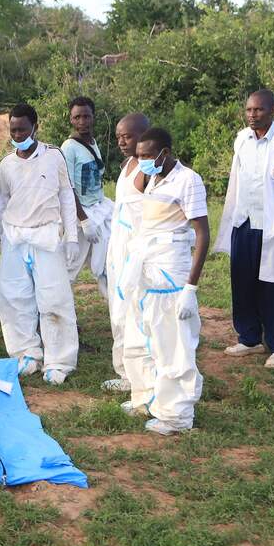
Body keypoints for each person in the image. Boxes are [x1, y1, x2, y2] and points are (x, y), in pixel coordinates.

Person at [119, 128, 209, 435]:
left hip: (171, 272)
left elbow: (202, 234)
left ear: (165, 153)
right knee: (144, 335)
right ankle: (146, 397)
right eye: (139, 155)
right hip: (146, 268)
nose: (141, 160)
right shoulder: (152, 178)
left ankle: (176, 416)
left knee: (173, 344)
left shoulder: (188, 180)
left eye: (146, 155)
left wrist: (190, 289)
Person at [214, 89, 274, 370]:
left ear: (273, 110)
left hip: (272, 227)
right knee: (242, 282)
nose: (252, 115)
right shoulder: (241, 141)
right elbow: (236, 180)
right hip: (243, 222)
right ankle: (249, 338)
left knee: (273, 285)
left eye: (258, 110)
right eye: (248, 110)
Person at [0, 104, 79, 385]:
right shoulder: (7, 164)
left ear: (35, 127)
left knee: (54, 299)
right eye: (13, 130)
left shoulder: (54, 157)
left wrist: (72, 237)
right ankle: (26, 353)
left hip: (47, 236)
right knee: (14, 299)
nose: (18, 134)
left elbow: (66, 196)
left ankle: (59, 360)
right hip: (15, 237)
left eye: (23, 129)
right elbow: (2, 203)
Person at [101, 113, 150, 392]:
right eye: (119, 136)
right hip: (117, 247)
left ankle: (139, 376)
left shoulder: (148, 171)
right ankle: (124, 372)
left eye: (128, 136)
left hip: (136, 251)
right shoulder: (127, 164)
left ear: (144, 135)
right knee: (118, 311)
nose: (121, 141)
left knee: (135, 312)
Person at [62, 96, 112, 298]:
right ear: (71, 120)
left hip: (98, 209)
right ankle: (59, 317)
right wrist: (84, 220)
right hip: (79, 214)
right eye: (77, 117)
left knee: (108, 262)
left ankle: (117, 311)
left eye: (86, 116)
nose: (82, 121)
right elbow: (67, 187)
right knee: (69, 268)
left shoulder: (93, 142)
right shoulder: (69, 147)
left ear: (93, 117)